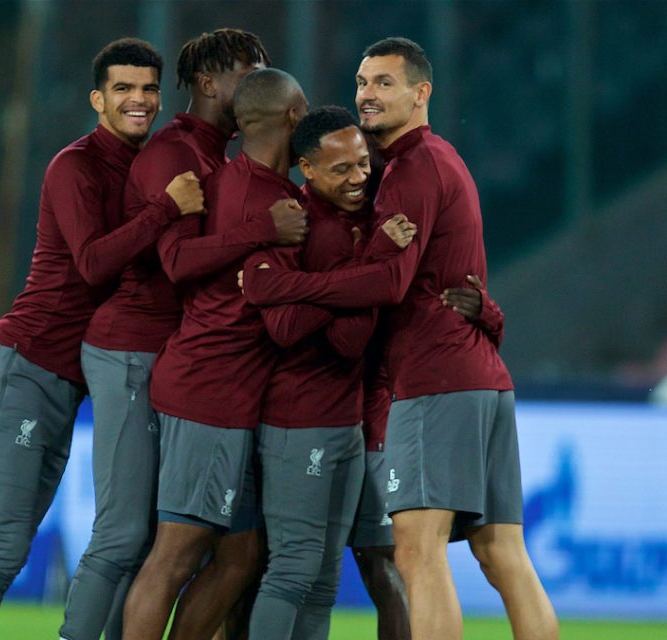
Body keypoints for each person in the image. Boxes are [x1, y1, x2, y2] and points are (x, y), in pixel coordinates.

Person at [238, 37, 559, 640]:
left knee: (416, 552)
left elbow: (390, 282)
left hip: (434, 383)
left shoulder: (411, 169)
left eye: (384, 82)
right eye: (362, 82)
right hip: (482, 379)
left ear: (422, 92)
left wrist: (280, 288)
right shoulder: (440, 159)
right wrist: (488, 314)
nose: (368, 94)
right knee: (503, 555)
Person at [59, 28, 286, 640]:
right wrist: (261, 230)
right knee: (132, 536)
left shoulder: (219, 155)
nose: (261, 82)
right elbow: (178, 262)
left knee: (232, 551)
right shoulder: (173, 154)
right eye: (250, 71)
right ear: (210, 83)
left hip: (195, 363)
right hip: (140, 353)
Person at [0, 38, 166, 640]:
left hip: (65, 380)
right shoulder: (77, 165)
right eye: (123, 88)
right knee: (2, 547)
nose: (137, 99)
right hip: (26, 363)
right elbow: (92, 263)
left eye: (147, 88)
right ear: (98, 99)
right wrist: (166, 212)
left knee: (108, 539)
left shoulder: (145, 168)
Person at [119, 68, 309, 640]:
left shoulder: (223, 184)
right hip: (209, 392)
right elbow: (183, 265)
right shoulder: (271, 206)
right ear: (294, 119)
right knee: (176, 554)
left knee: (240, 556)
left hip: (232, 395)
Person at [244, 106, 417, 639]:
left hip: (346, 422)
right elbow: (339, 338)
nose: (359, 178)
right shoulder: (296, 227)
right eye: (341, 169)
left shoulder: (360, 220)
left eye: (363, 163)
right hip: (301, 419)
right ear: (307, 169)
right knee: (293, 569)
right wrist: (373, 262)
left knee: (322, 579)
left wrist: (338, 278)